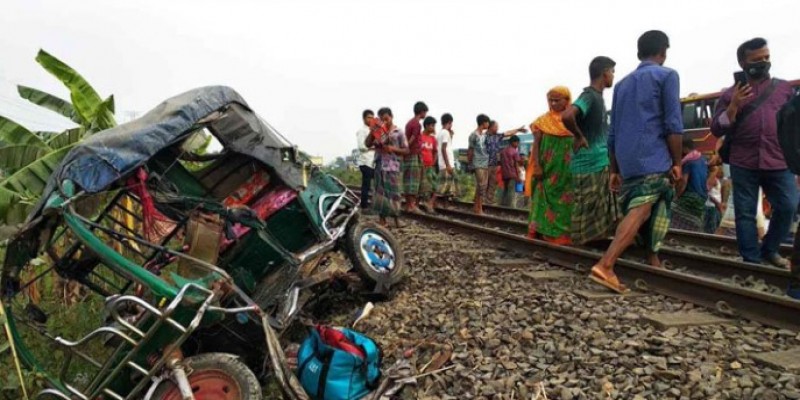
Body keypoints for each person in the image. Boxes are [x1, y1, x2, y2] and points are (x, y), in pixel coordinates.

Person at [589, 30, 683, 293]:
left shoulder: (622, 85)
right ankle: (606, 265)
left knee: (651, 205)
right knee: (642, 209)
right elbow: (673, 123)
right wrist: (677, 161)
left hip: (626, 157)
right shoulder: (667, 75)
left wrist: (614, 168)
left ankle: (651, 257)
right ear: (663, 51)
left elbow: (614, 130)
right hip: (653, 155)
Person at [710, 37, 797, 268]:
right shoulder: (730, 94)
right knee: (745, 213)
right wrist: (733, 106)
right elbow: (716, 127)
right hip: (743, 161)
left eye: (766, 57)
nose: (764, 62)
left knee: (788, 205)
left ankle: (770, 249)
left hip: (778, 159)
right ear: (743, 62)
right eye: (756, 59)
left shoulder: (784, 89)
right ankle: (752, 259)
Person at [562, 56, 621, 245]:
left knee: (592, 205)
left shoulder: (597, 97)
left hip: (595, 161)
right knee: (587, 204)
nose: (613, 76)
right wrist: (579, 136)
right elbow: (568, 115)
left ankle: (591, 241)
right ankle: (581, 243)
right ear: (604, 73)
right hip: (589, 162)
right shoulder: (590, 96)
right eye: (612, 71)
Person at [526, 86, 575, 245]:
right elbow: (536, 146)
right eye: (550, 100)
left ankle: (562, 236)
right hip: (547, 169)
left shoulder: (573, 120)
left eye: (557, 100)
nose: (553, 103)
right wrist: (537, 166)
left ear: (567, 101)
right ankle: (542, 232)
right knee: (543, 198)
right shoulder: (542, 122)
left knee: (566, 201)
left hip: (567, 170)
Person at [365, 107, 409, 227]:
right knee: (380, 192)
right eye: (382, 119)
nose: (385, 121)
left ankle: (396, 220)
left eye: (386, 119)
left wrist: (393, 148)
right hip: (380, 163)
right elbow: (367, 143)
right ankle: (382, 220)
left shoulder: (398, 132)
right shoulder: (378, 131)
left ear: (391, 117)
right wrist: (372, 131)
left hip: (393, 164)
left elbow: (406, 150)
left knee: (394, 192)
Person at [670, 136, 709, 231]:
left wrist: (676, 196)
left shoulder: (688, 162)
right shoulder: (702, 160)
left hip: (690, 197)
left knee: (668, 209)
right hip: (702, 198)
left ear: (684, 148)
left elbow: (683, 182)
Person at [485, 121, 527, 205]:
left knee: (492, 186)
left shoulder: (502, 147)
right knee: (512, 192)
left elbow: (508, 133)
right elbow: (517, 164)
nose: (498, 128)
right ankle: (510, 207)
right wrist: (519, 175)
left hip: (500, 171)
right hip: (487, 165)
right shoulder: (483, 137)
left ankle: (489, 203)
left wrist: (518, 129)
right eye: (496, 126)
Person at [402, 101, 429, 213]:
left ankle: (409, 205)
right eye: (425, 112)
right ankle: (412, 206)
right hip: (413, 154)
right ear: (422, 112)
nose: (425, 114)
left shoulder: (409, 123)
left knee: (409, 180)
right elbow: (412, 139)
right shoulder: (417, 124)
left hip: (408, 154)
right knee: (414, 180)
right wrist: (406, 148)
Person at [468, 114, 491, 214]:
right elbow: (470, 150)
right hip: (477, 162)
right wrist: (470, 164)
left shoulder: (484, 135)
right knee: (482, 186)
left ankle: (476, 206)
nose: (488, 124)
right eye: (487, 122)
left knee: (481, 186)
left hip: (485, 163)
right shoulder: (473, 135)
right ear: (483, 123)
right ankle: (479, 209)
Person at [356, 109, 376, 212]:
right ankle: (364, 206)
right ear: (364, 119)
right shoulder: (362, 131)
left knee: (376, 184)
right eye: (369, 117)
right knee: (366, 185)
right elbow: (361, 146)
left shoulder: (374, 130)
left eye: (372, 117)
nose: (371, 119)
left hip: (373, 162)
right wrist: (372, 147)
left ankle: (373, 205)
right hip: (365, 162)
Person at [419, 116, 439, 212]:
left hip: (430, 166)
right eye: (432, 125)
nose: (434, 128)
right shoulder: (419, 137)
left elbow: (435, 152)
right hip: (420, 166)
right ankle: (424, 205)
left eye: (434, 125)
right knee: (422, 187)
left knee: (435, 186)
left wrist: (433, 163)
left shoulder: (433, 139)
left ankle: (430, 203)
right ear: (426, 126)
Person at [436, 113, 457, 203]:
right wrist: (448, 165)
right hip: (446, 163)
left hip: (444, 163)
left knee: (448, 185)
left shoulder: (441, 132)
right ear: (449, 122)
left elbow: (446, 146)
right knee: (443, 186)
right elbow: (443, 148)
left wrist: (451, 136)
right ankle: (431, 202)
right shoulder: (445, 132)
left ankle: (444, 204)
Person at [499, 135, 523, 207]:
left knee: (505, 191)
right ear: (514, 142)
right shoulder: (515, 152)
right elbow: (517, 165)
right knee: (512, 192)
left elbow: (501, 163)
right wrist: (518, 177)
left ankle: (503, 207)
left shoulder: (502, 151)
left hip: (505, 174)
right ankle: (512, 208)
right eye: (517, 143)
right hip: (513, 174)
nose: (518, 145)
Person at [704, 165, 724, 233]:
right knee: (711, 229)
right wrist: (718, 204)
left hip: (715, 207)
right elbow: (709, 193)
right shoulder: (713, 179)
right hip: (712, 206)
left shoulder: (717, 180)